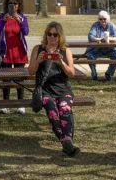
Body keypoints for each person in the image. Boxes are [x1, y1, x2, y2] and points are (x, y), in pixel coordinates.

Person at [28, 21, 80, 156]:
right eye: (49, 34)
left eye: (55, 35)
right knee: (51, 109)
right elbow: (30, 72)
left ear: (60, 36)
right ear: (46, 35)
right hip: (45, 90)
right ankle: (66, 142)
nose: (52, 38)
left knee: (64, 109)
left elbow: (71, 74)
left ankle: (67, 139)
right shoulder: (38, 49)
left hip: (63, 90)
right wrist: (38, 61)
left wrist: (61, 63)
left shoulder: (65, 51)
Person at [0, 0, 29, 114]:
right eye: (10, 4)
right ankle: (5, 104)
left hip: (19, 52)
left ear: (19, 6)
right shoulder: (2, 17)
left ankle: (21, 104)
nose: (13, 6)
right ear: (6, 5)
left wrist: (19, 20)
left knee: (20, 78)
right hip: (5, 52)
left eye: (15, 4)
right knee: (6, 79)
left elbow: (26, 31)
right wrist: (3, 21)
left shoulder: (22, 17)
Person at [84, 10, 116, 81]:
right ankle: (94, 75)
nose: (102, 21)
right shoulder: (95, 25)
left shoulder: (112, 25)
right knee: (90, 56)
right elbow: (91, 37)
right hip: (96, 49)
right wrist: (101, 39)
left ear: (108, 19)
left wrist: (109, 39)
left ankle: (109, 73)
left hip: (110, 49)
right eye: (100, 19)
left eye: (104, 19)